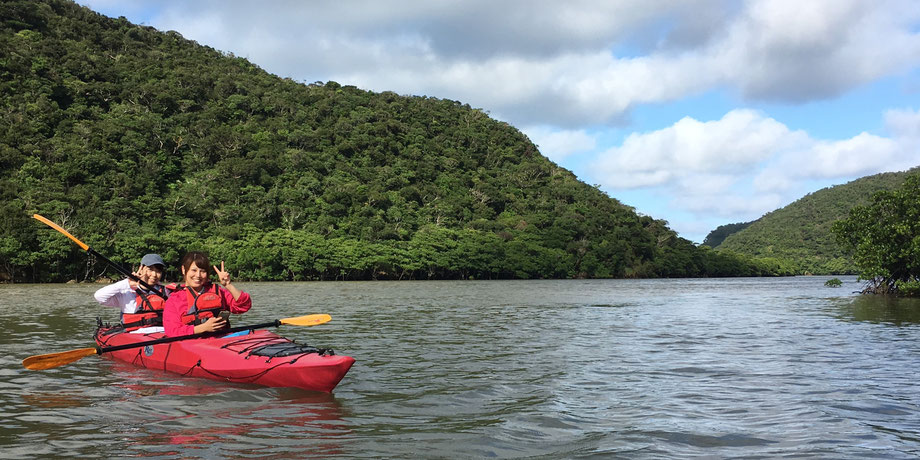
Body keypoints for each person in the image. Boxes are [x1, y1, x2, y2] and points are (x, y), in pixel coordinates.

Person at [163, 251, 252, 337]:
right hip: (194, 345)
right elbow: (172, 331)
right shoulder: (174, 299)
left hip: (222, 340)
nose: (198, 275)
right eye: (194, 270)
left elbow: (244, 306)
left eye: (202, 271)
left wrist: (228, 285)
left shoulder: (217, 291)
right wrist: (202, 328)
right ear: (183, 270)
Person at [93, 253, 173, 333]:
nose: (154, 275)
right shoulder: (127, 292)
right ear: (141, 269)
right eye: (150, 269)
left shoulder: (166, 292)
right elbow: (99, 296)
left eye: (158, 271)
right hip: (135, 336)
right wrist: (127, 282)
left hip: (163, 333)